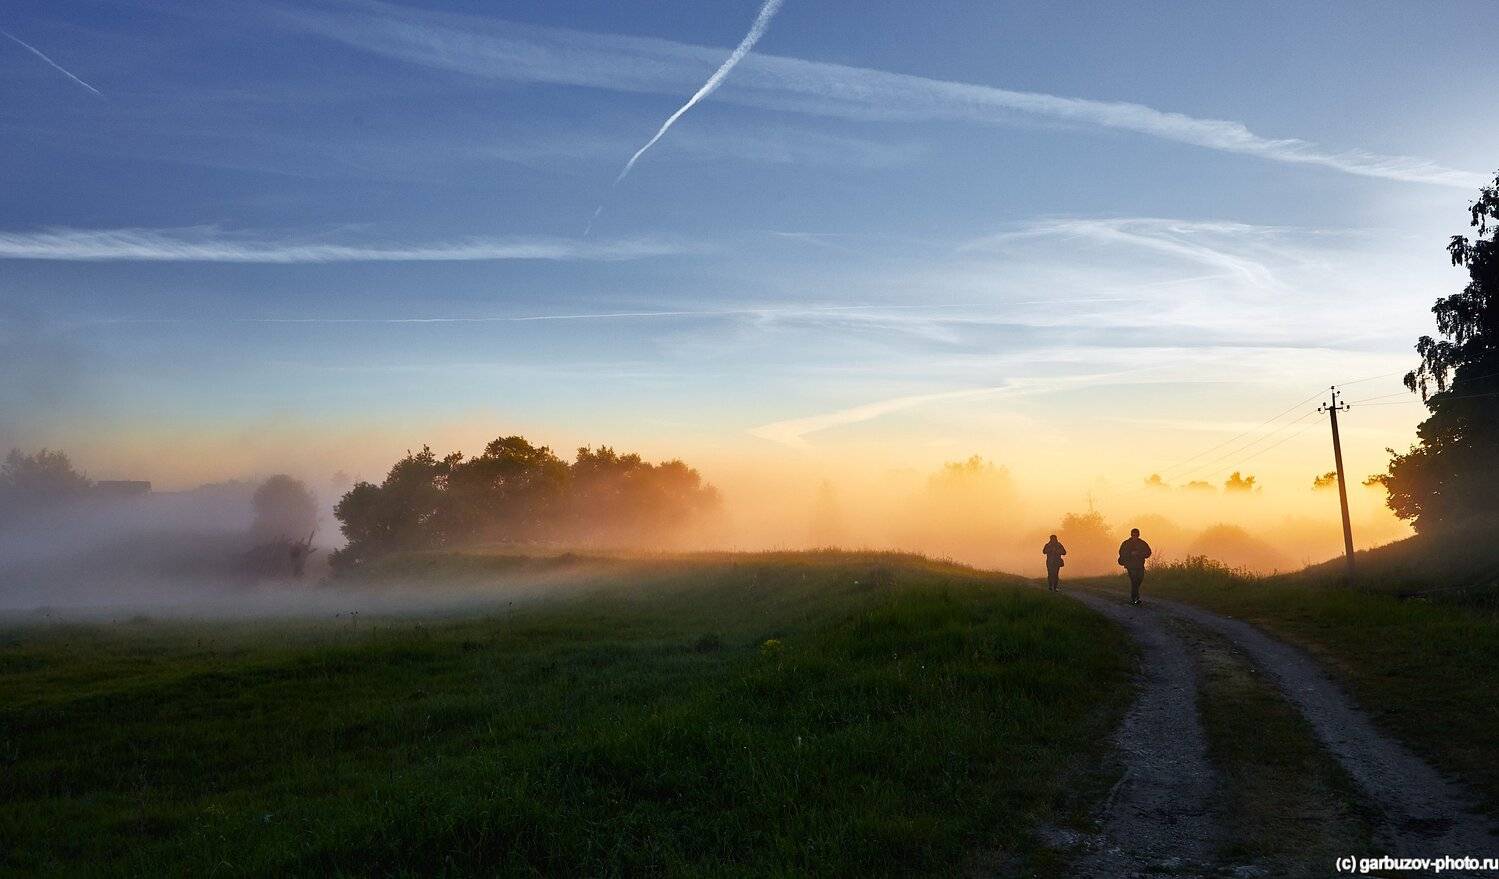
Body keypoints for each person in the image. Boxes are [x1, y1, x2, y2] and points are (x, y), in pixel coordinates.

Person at [1118, 527, 1152, 605]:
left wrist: (1139, 554)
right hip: (1130, 566)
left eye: (1136, 535)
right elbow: (1121, 553)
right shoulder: (1126, 543)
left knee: (1139, 579)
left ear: (1138, 535)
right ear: (1131, 535)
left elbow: (1148, 552)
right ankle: (1135, 598)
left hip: (1140, 565)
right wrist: (1130, 554)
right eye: (1133, 535)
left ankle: (1135, 596)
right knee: (1134, 581)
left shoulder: (1142, 543)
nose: (1135, 537)